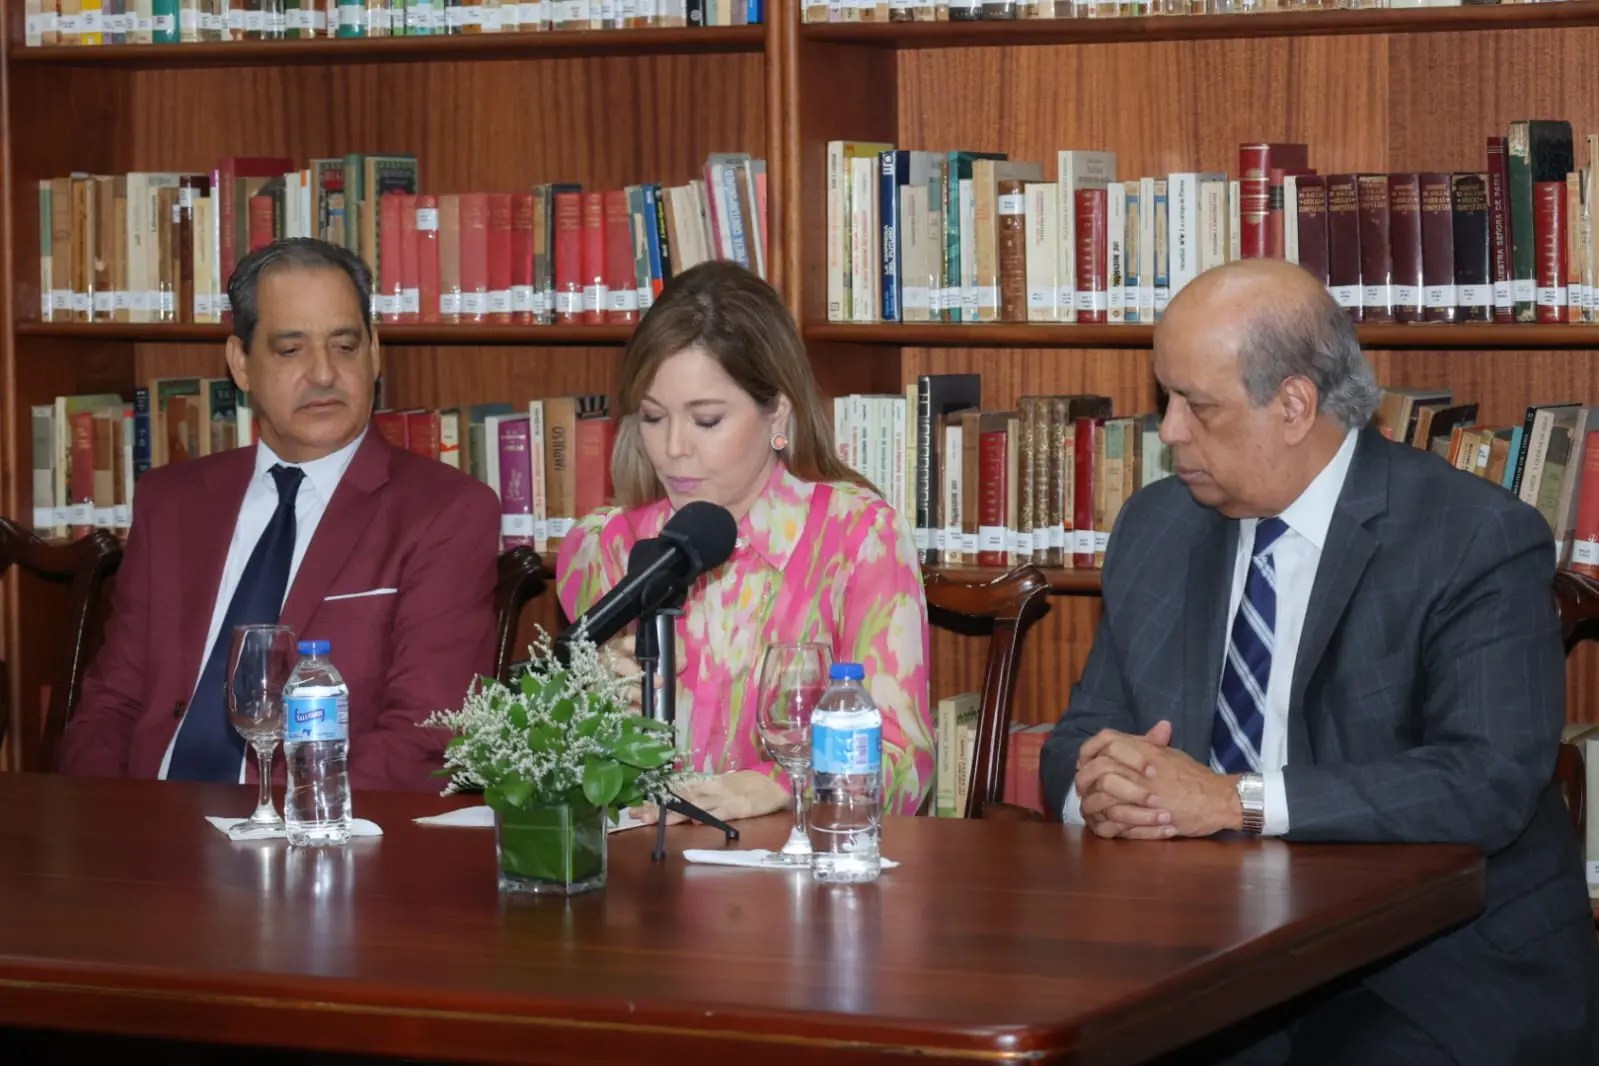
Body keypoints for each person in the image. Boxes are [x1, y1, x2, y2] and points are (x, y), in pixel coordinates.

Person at [1039, 258, 1598, 1065]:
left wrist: (1234, 800)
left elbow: (1485, 782)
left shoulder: (1469, 536)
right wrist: (1105, 789)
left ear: (1294, 406)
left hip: (1426, 965)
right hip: (1193, 949)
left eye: (1195, 405)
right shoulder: (1157, 526)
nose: (1167, 433)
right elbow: (1078, 735)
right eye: (1165, 398)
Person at [61, 238, 501, 793]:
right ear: (241, 364)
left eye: (344, 346)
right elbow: (110, 705)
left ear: (375, 353)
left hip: (315, 838)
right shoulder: (171, 500)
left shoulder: (444, 511)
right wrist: (103, 824)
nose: (323, 373)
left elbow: (427, 736)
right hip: (147, 828)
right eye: (291, 350)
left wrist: (272, 826)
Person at [556, 260, 932, 824]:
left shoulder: (858, 536)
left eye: (706, 421)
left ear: (776, 411)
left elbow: (906, 767)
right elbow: (557, 762)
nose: (674, 449)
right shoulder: (606, 546)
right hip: (646, 875)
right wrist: (595, 711)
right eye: (654, 418)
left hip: (794, 872)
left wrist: (778, 785)